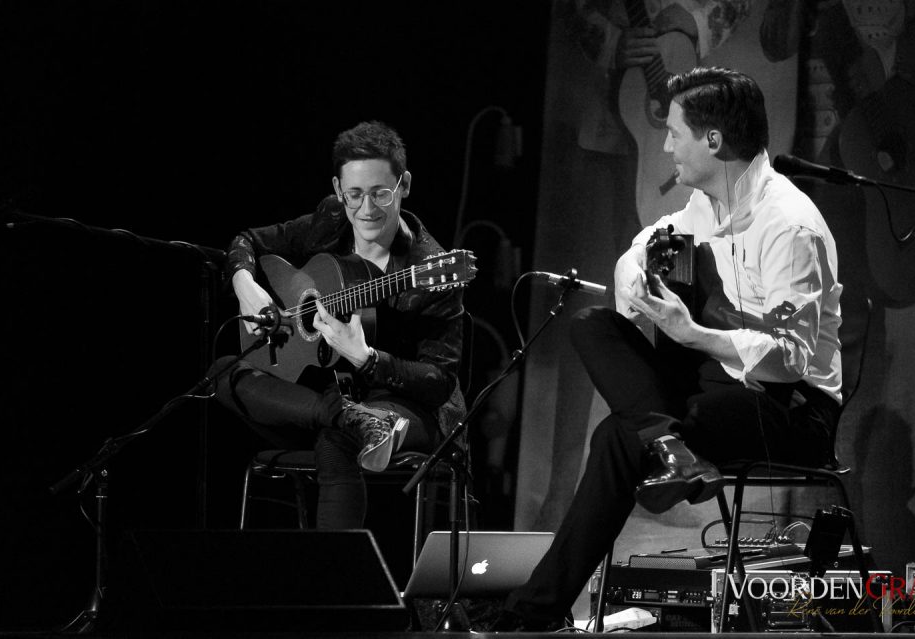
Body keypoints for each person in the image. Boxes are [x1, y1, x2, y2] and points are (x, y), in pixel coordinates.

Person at [496, 67, 843, 631]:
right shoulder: (702, 206)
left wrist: (693, 335)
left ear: (713, 141)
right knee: (591, 324)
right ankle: (670, 445)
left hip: (790, 408)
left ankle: (531, 614)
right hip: (711, 386)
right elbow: (642, 248)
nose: (664, 145)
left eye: (674, 132)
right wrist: (634, 270)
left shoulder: (791, 225)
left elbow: (791, 360)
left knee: (617, 435)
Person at [212, 121, 466, 530]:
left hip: (402, 412)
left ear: (404, 185)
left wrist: (366, 358)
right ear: (337, 189)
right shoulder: (331, 219)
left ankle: (335, 581)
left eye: (381, 192)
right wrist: (244, 284)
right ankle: (339, 415)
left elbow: (438, 382)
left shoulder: (429, 268)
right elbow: (247, 241)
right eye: (355, 194)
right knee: (221, 371)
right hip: (323, 398)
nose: (367, 209)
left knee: (336, 442)